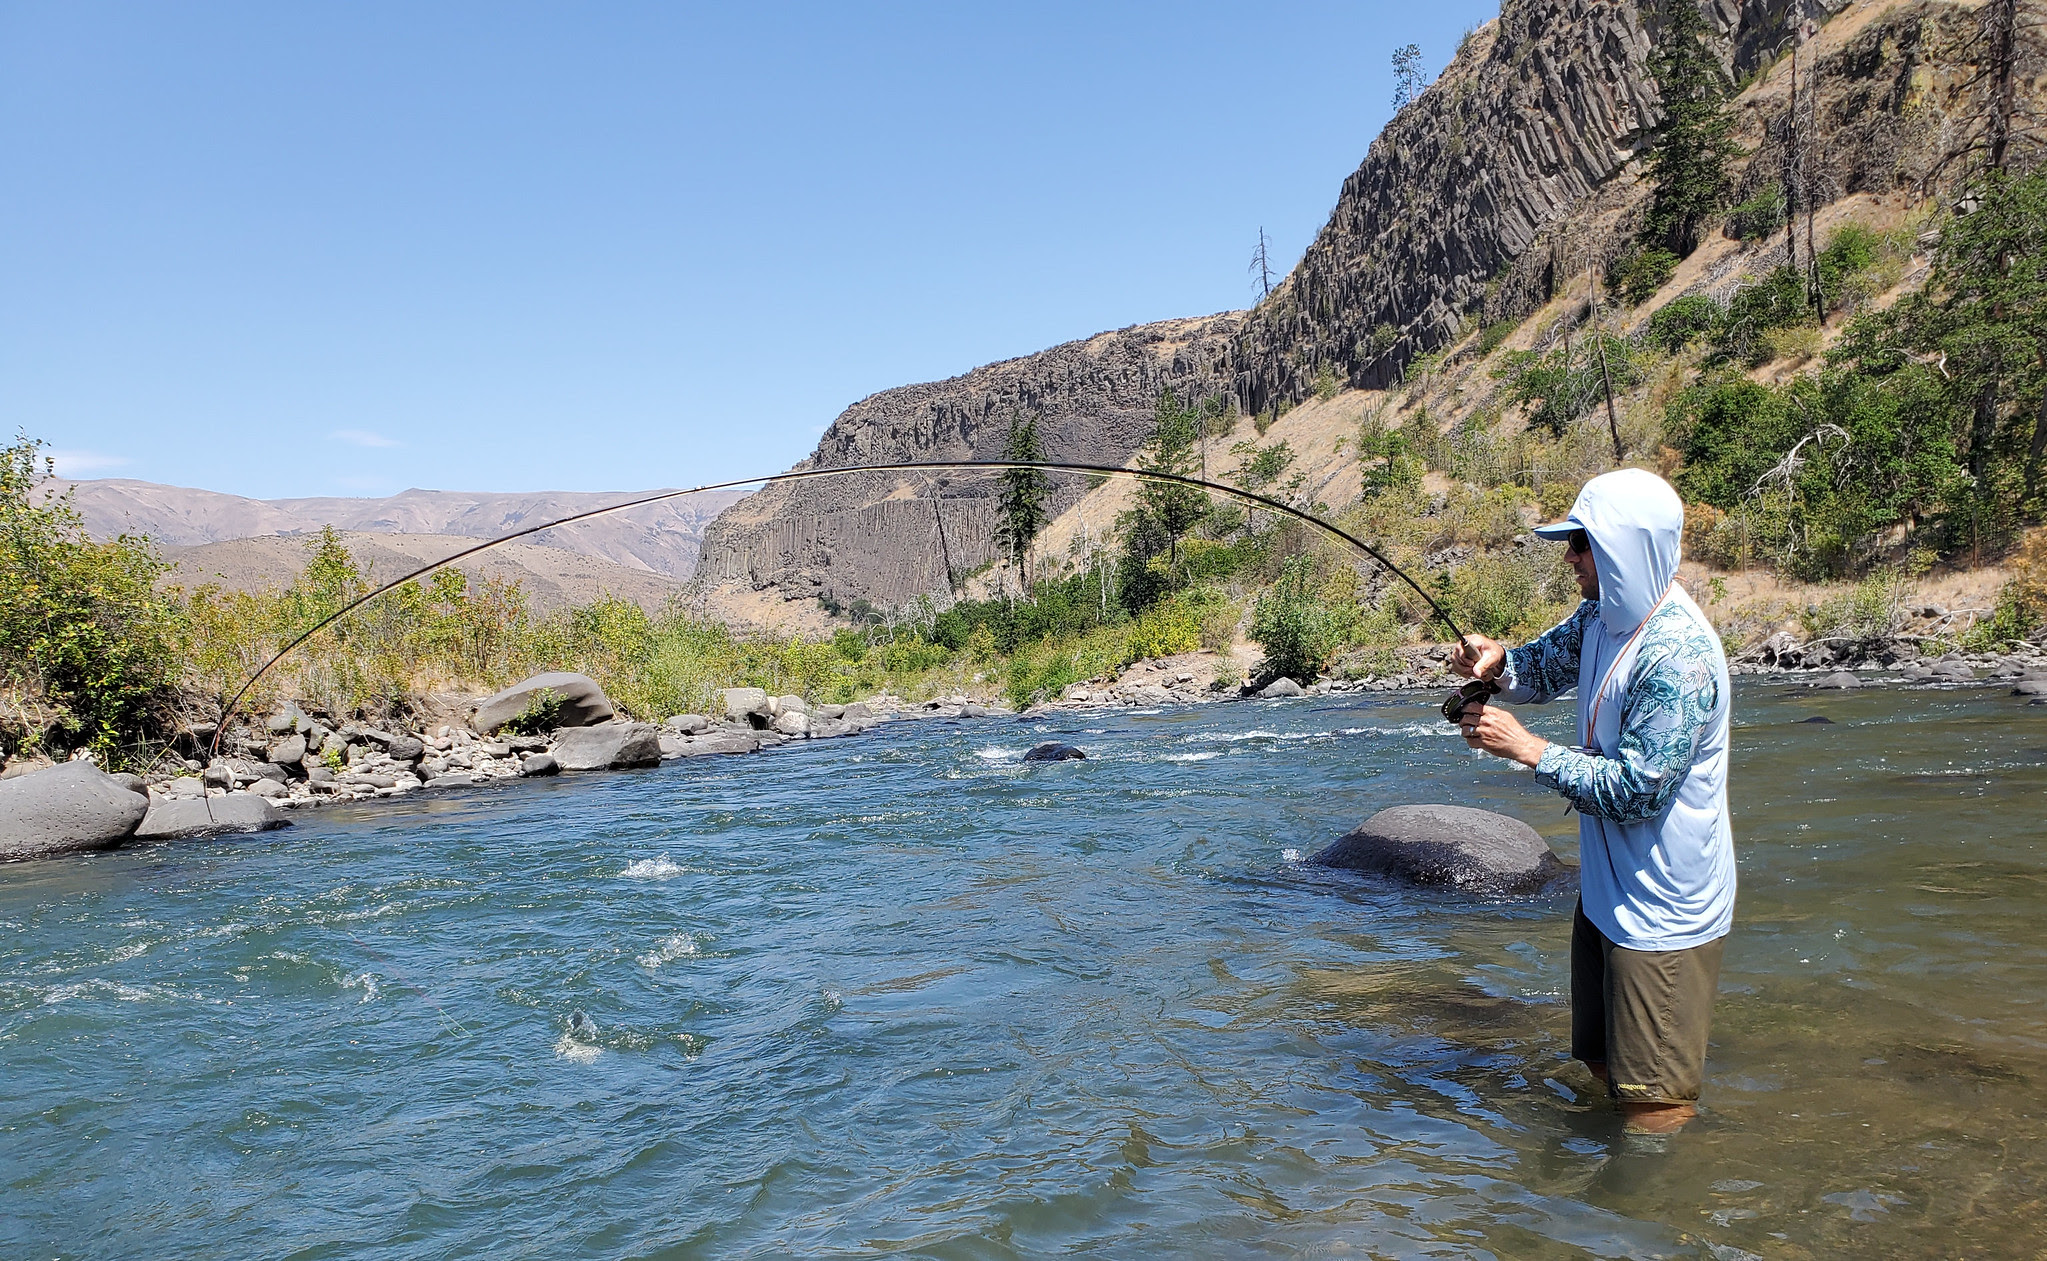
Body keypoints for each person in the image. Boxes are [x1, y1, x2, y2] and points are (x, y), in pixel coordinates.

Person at [1448, 468, 1734, 1135]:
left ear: (1623, 550)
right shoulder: (1601, 616)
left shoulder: (1678, 656)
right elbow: (1541, 666)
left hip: (1663, 914)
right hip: (1608, 897)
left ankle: (1652, 1217)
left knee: (1655, 1102)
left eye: (1580, 542)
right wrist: (1496, 665)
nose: (1568, 556)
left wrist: (1527, 749)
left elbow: (1635, 790)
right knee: (1604, 1065)